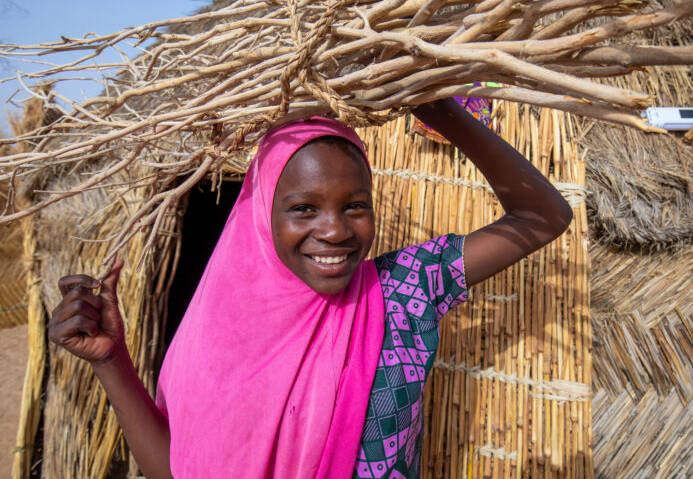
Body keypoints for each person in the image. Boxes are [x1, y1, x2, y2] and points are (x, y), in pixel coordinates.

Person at [48, 98, 573, 479]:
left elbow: (543, 216)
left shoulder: (404, 290)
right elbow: (180, 470)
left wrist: (442, 113)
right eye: (303, 208)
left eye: (355, 205)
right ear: (261, 215)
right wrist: (110, 360)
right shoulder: (217, 331)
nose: (335, 231)